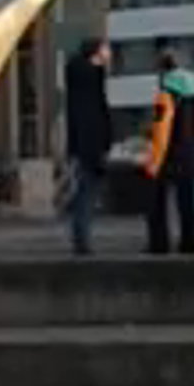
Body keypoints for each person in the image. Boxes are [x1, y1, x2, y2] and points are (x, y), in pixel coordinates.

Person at [139, 58, 194, 259]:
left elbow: (161, 131)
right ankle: (190, 245)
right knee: (187, 204)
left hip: (169, 156)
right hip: (192, 153)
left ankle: (159, 244)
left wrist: (153, 161)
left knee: (155, 201)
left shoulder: (166, 94)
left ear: (163, 72)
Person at [61, 38, 118, 256]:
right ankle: (81, 242)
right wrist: (101, 144)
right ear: (96, 52)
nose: (110, 52)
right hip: (90, 145)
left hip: (86, 144)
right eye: (106, 48)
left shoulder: (86, 76)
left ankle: (81, 239)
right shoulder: (89, 77)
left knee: (87, 192)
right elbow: (92, 115)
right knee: (87, 192)